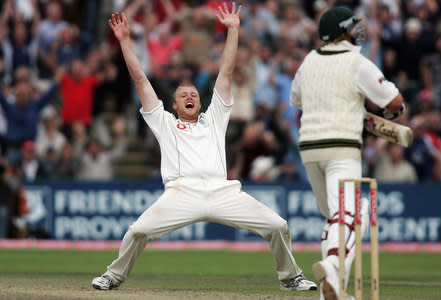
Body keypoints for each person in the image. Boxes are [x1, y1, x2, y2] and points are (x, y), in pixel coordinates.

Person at [92, 4, 317, 292]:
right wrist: (124, 40)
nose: (189, 96)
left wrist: (233, 30)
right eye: (183, 95)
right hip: (181, 192)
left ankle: (290, 277)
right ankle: (113, 276)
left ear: (200, 102)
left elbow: (225, 73)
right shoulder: (165, 123)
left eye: (194, 95)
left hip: (223, 192)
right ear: (174, 105)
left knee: (277, 226)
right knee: (138, 231)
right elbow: (140, 79)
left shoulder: (214, 119)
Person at [290, 7, 405, 300]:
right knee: (348, 216)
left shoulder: (309, 60)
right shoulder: (357, 62)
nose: (358, 31)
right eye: (352, 26)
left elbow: (296, 99)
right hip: (342, 147)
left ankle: (334, 290)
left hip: (309, 148)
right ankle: (331, 266)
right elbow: (394, 99)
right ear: (343, 31)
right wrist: (392, 113)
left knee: (338, 218)